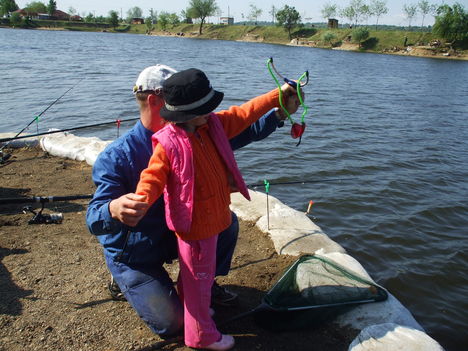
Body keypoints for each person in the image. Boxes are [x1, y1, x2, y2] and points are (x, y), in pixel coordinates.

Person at [86, 64, 299, 340]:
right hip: (136, 252)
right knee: (172, 324)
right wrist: (113, 209)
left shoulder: (197, 129)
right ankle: (125, 278)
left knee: (227, 222)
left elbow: (241, 128)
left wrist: (279, 112)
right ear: (155, 100)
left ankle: (205, 285)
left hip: (181, 232)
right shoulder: (117, 156)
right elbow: (93, 218)